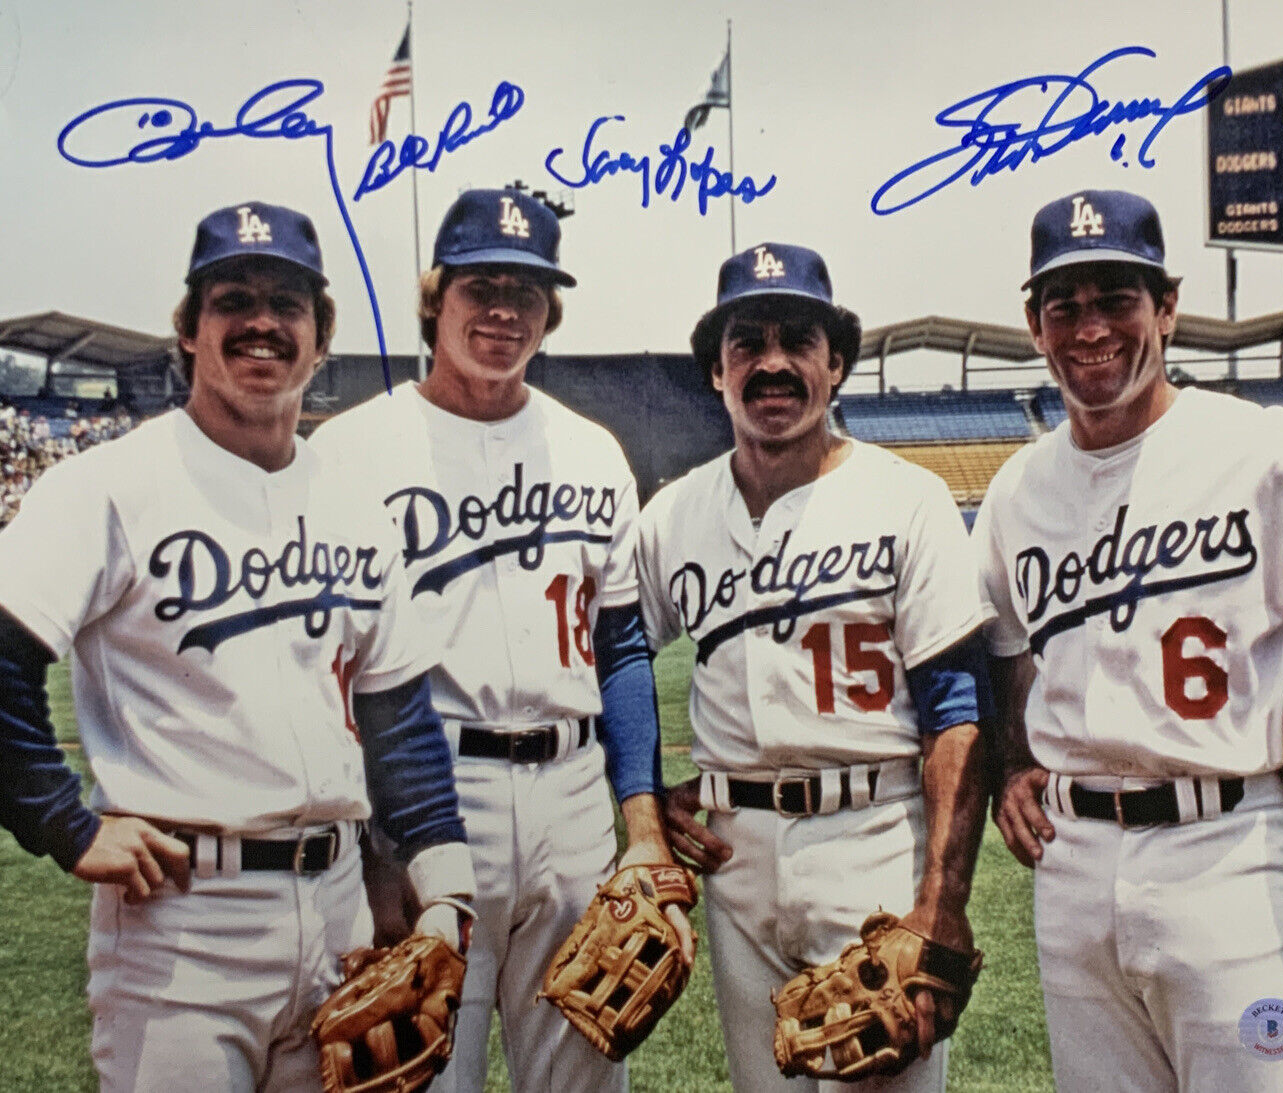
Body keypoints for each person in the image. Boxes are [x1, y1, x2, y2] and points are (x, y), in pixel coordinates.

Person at [0, 201, 476, 1092]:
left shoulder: (356, 498)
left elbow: (398, 717)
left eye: (286, 303)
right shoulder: (107, 485)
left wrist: (442, 884)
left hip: (339, 914)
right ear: (188, 328)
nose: (261, 322)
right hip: (182, 922)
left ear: (321, 333)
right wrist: (60, 824)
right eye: (233, 300)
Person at [977, 188, 1283, 1093]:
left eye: (1115, 299)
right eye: (1065, 306)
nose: (1090, 328)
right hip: (1073, 869)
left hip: (1235, 855)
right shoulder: (1015, 492)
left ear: (1165, 309)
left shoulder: (1262, 450)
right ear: (1034, 326)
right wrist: (1012, 759)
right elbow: (1000, 643)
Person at [310, 187, 692, 1093]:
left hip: (569, 800)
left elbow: (622, 646)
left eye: (526, 291)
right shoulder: (351, 449)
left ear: (549, 311)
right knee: (430, 1070)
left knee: (585, 1074)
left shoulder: (592, 449)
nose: (502, 310)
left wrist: (639, 828)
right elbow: (325, 671)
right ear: (434, 297)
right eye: (479, 284)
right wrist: (375, 851)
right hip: (430, 801)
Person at [638, 242, 993, 1092]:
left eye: (798, 339)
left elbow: (956, 706)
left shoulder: (906, 497)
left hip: (874, 837)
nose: (772, 362)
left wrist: (940, 904)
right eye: (745, 342)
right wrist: (648, 798)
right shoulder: (673, 514)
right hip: (735, 856)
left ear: (835, 364)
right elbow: (609, 660)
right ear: (714, 371)